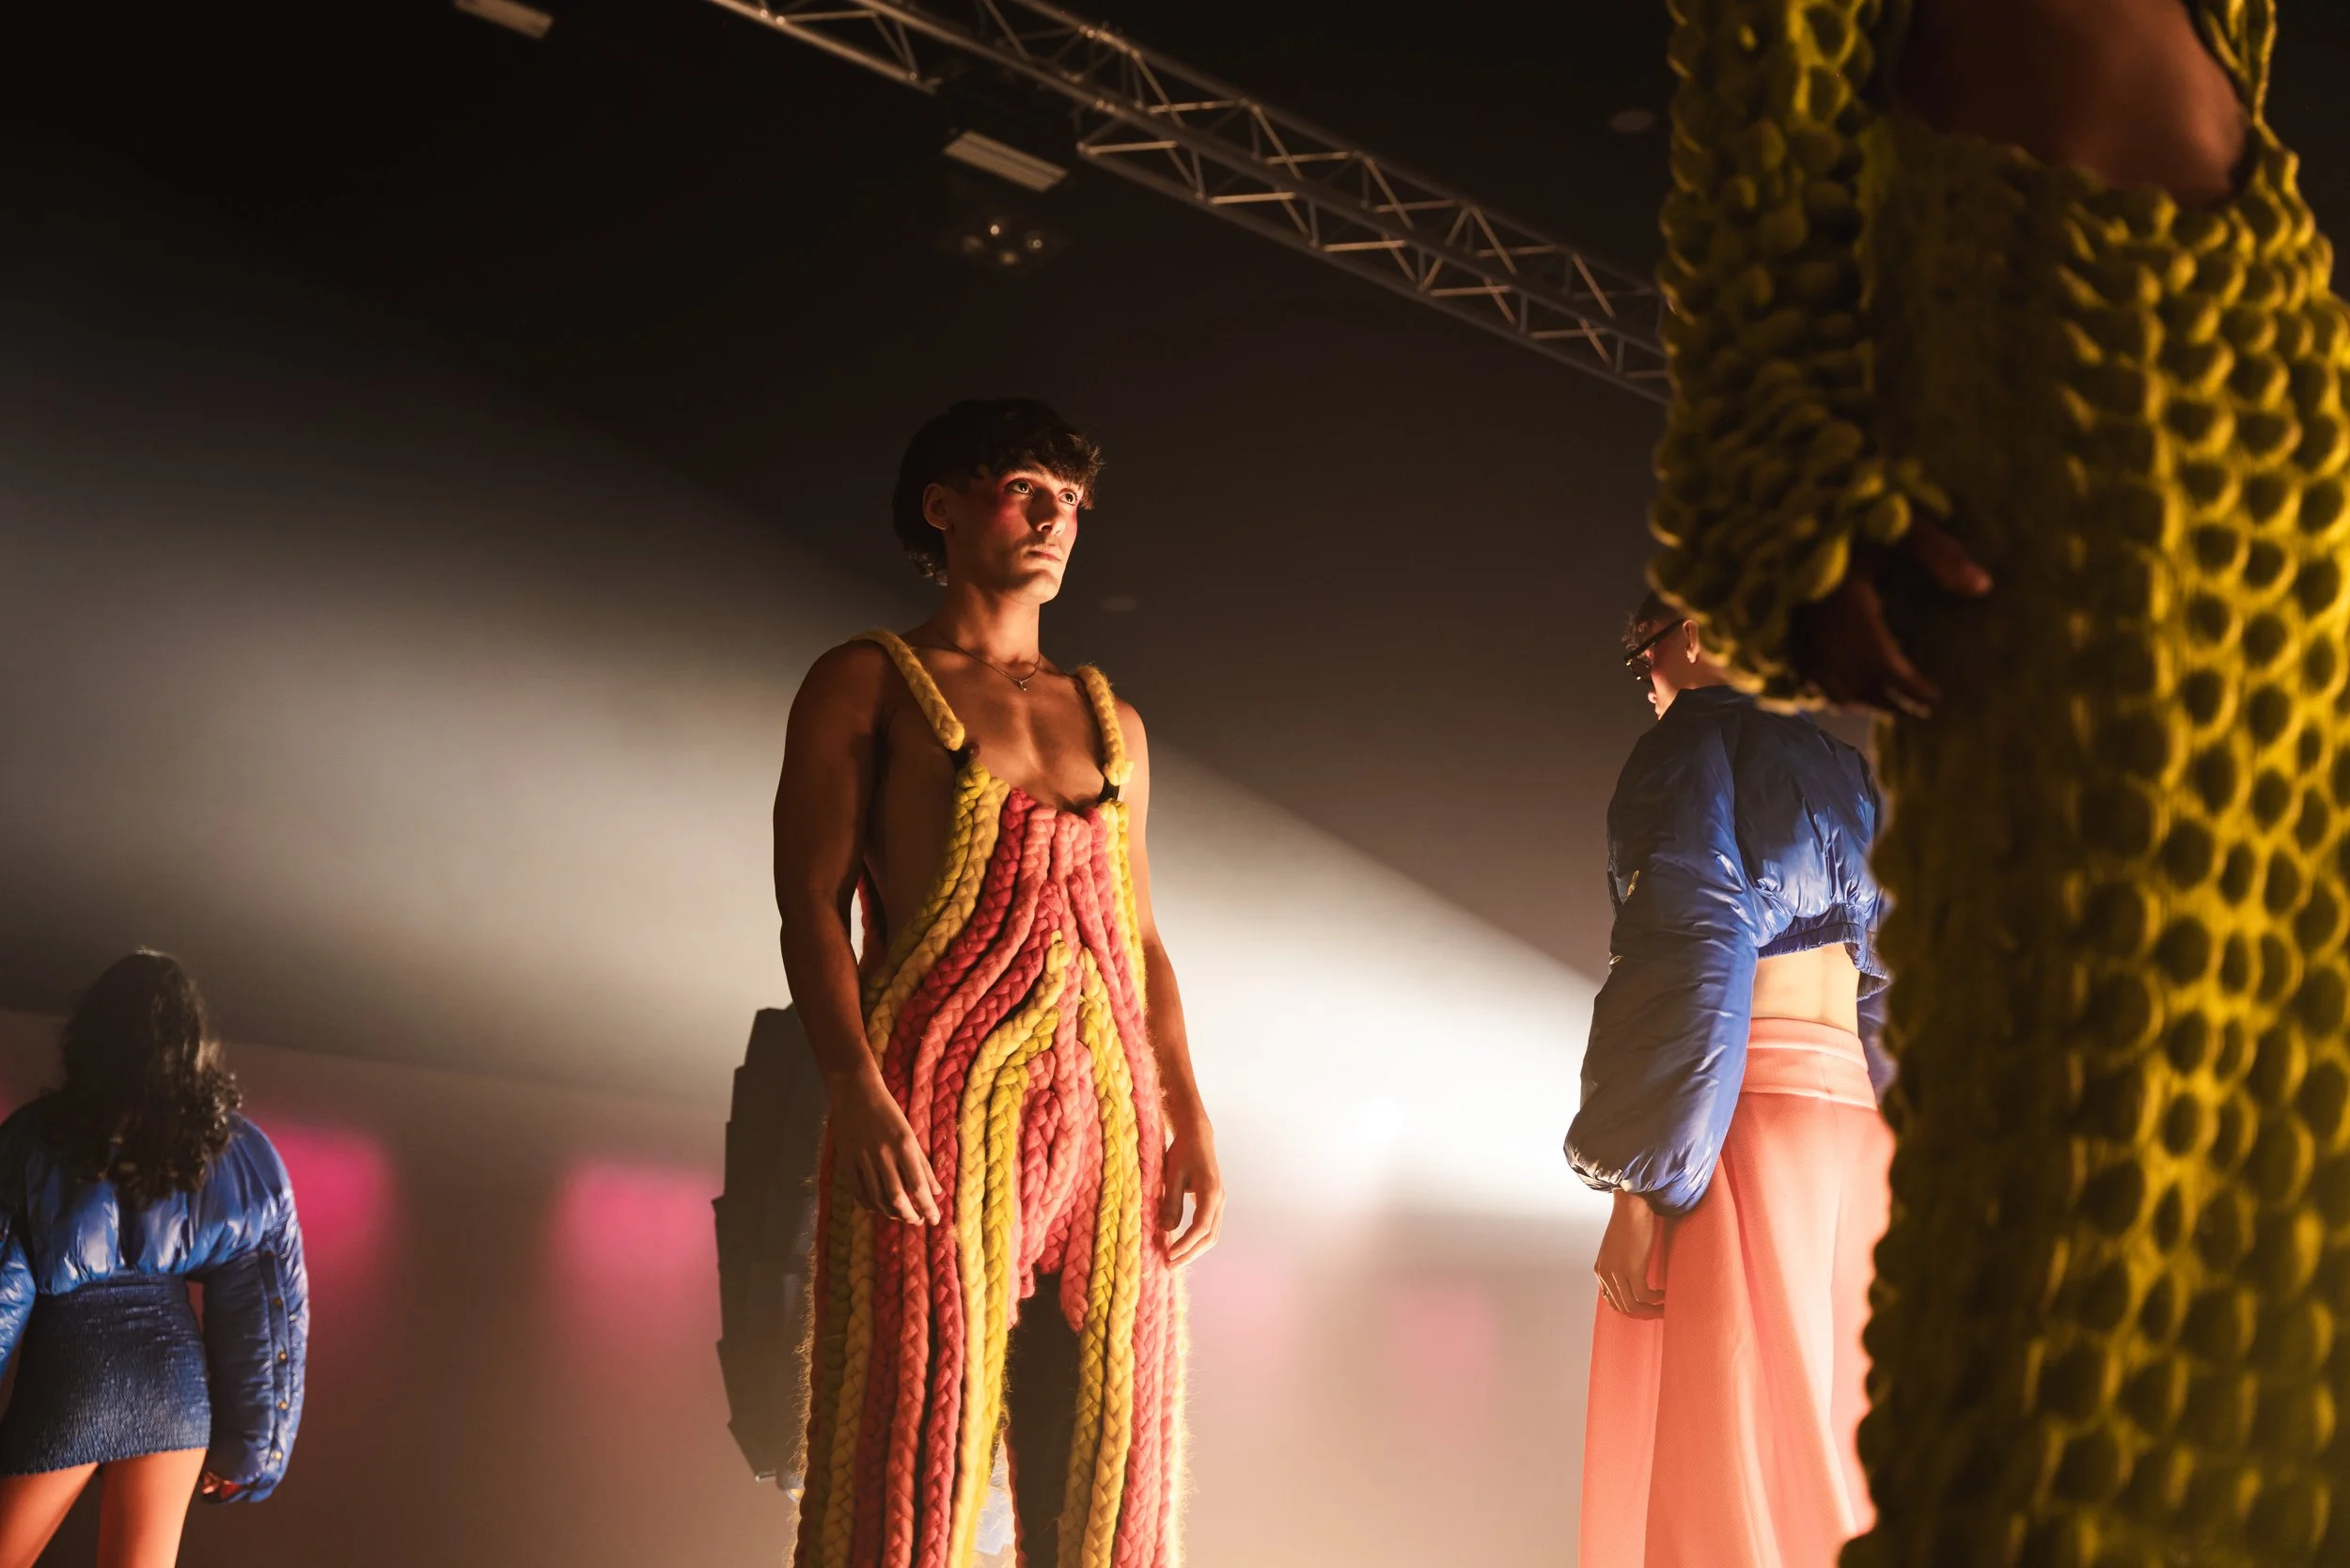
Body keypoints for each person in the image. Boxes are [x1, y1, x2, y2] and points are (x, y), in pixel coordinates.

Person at [1649, 0, 2348, 1560]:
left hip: (2267, 418)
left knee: (2295, 1117)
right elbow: (1757, 172)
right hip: (2052, 379)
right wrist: (1791, 484)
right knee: (2082, 1090)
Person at [773, 399, 1222, 1568]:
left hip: (1114, 1117)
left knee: (1114, 1455)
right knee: (911, 1437)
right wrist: (852, 1088)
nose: (1053, 521)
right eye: (1026, 489)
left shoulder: (1106, 716)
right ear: (946, 506)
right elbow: (811, 903)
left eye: (1071, 502)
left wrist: (1189, 1114)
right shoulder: (868, 680)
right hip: (934, 1097)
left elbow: (1143, 938)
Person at [1568, 594, 1892, 1568]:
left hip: (1740, 1116)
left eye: (1643, 658)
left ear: (1694, 636)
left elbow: (1690, 946)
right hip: (1854, 1129)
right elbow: (1882, 976)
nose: (1647, 683)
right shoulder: (1840, 769)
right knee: (1837, 1451)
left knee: (1731, 1457)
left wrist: (1638, 1183)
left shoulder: (1686, 751)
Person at [0, 951, 307, 1568]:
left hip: (73, 1372)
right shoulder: (238, 1150)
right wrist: (254, 1447)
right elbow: (266, 1310)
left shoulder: (35, 1138)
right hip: (175, 1388)